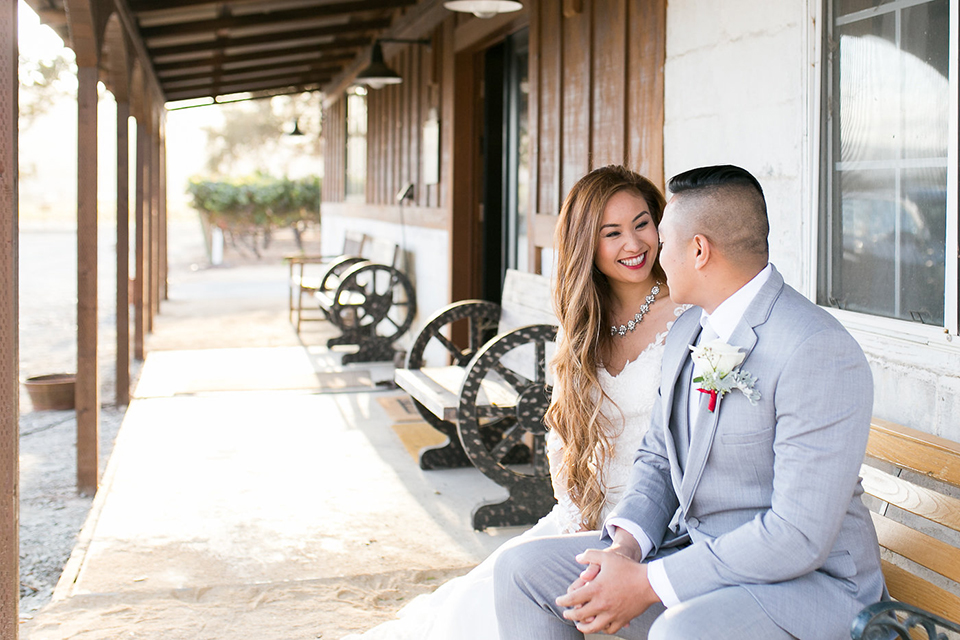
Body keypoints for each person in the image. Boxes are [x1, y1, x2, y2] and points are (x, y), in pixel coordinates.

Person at [494, 164, 885, 640]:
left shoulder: (815, 349)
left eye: (661, 237)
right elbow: (657, 457)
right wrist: (625, 550)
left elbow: (797, 537)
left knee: (681, 631)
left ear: (698, 250)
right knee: (521, 570)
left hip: (812, 588)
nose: (651, 250)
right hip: (697, 554)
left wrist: (650, 582)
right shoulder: (688, 331)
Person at [341, 165, 687, 640]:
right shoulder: (584, 321)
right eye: (612, 233)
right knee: (475, 602)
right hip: (585, 514)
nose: (633, 244)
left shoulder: (687, 312)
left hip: (657, 521)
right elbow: (565, 433)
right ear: (587, 242)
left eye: (642, 223)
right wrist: (573, 514)